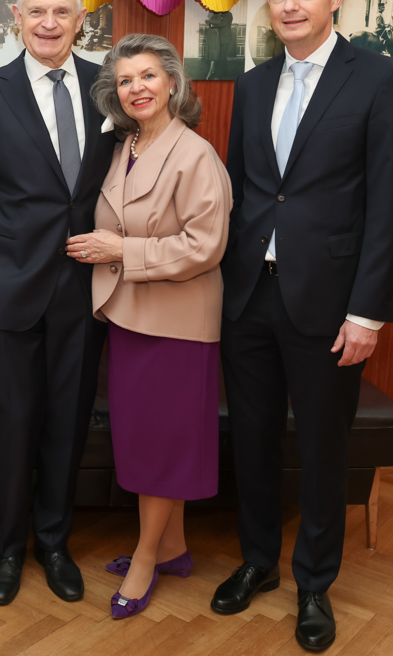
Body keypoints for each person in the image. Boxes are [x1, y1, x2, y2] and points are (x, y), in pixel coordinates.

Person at [214, 0, 393, 652]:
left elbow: (391, 206)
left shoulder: (382, 80)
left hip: (332, 305)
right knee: (252, 439)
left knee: (324, 446)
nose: (291, 5)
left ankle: (314, 584)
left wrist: (368, 311)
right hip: (249, 298)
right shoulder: (251, 85)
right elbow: (243, 192)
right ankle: (258, 561)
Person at [0, 0, 117, 606]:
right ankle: (10, 547)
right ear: (16, 19)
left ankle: (54, 543)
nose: (49, 23)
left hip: (85, 289)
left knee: (68, 424)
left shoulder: (110, 89)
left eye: (61, 12)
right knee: (15, 424)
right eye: (37, 12)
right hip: (8, 291)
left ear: (81, 21)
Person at [70, 33, 231, 619]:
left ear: (172, 83)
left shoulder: (195, 153)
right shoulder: (126, 145)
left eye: (147, 76)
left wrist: (122, 250)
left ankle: (145, 559)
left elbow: (206, 246)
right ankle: (173, 548)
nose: (136, 88)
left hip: (177, 323)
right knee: (148, 441)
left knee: (162, 446)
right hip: (130, 316)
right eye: (124, 80)